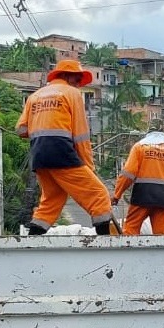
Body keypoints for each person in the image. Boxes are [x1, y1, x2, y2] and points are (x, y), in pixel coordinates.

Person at [16, 60, 114, 235]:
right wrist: (88, 166)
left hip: (38, 155)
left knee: (51, 200)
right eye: (77, 79)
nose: (78, 84)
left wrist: (43, 122)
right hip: (60, 151)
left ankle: (31, 242)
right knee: (99, 195)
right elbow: (81, 135)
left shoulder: (35, 96)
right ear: (68, 76)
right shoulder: (72, 93)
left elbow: (21, 129)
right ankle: (105, 242)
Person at [112, 130, 164, 235]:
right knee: (163, 239)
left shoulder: (140, 147)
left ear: (148, 133)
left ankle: (129, 251)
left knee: (130, 233)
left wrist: (116, 196)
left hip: (142, 197)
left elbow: (127, 175)